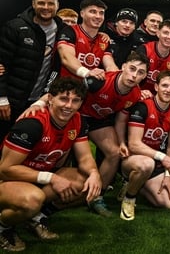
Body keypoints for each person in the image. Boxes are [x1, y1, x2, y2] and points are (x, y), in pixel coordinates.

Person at [24, 51, 149, 217]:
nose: (134, 75)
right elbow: (66, 92)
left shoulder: (135, 94)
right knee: (61, 157)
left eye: (140, 72)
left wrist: (122, 143)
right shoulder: (99, 81)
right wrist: (39, 102)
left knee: (114, 152)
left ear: (145, 76)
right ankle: (43, 195)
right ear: (123, 67)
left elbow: (119, 120)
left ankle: (97, 197)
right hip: (75, 116)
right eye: (132, 69)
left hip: (98, 121)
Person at [0, 77, 101, 251]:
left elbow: (85, 158)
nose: (69, 105)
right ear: (50, 98)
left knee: (85, 182)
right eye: (63, 98)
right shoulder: (32, 124)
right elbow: (5, 169)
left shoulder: (77, 120)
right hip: (7, 180)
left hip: (36, 177)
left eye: (75, 101)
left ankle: (33, 217)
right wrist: (52, 177)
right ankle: (3, 226)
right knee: (33, 200)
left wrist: (95, 174)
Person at [0, 0, 65, 140]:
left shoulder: (63, 30)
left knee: (26, 146)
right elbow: (1, 65)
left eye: (51, 4)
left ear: (57, 5)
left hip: (39, 100)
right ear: (33, 3)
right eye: (41, 3)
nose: (46, 7)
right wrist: (2, 99)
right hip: (10, 100)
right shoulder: (14, 27)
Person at [119, 70, 170, 221]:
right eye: (164, 85)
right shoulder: (142, 106)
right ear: (156, 87)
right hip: (133, 159)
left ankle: (137, 184)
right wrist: (163, 157)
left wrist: (168, 174)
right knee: (146, 164)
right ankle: (129, 199)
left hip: (157, 161)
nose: (168, 90)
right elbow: (134, 144)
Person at [53, 0, 114, 81]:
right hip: (62, 83)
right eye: (93, 12)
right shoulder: (70, 30)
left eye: (101, 13)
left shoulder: (104, 39)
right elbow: (66, 57)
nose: (98, 16)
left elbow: (110, 66)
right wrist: (87, 73)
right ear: (82, 13)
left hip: (85, 88)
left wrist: (120, 78)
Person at [136, 19, 170, 93]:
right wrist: (138, 92)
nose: (169, 37)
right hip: (139, 93)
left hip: (160, 98)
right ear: (158, 33)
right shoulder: (145, 49)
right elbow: (133, 75)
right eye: (165, 32)